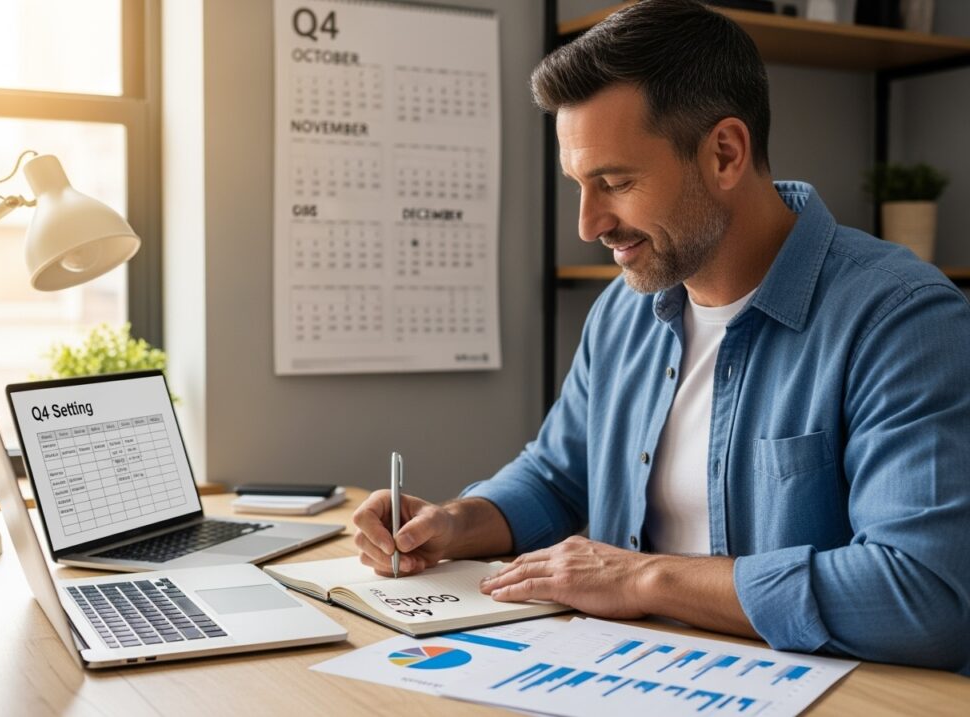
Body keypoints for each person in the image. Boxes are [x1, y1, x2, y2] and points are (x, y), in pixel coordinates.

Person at [353, 0, 970, 674]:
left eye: (614, 182)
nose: (589, 223)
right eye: (579, 186)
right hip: (628, 675)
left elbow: (924, 593)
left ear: (725, 153)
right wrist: (455, 522)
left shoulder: (902, 319)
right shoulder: (624, 311)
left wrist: (643, 578)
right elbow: (559, 475)